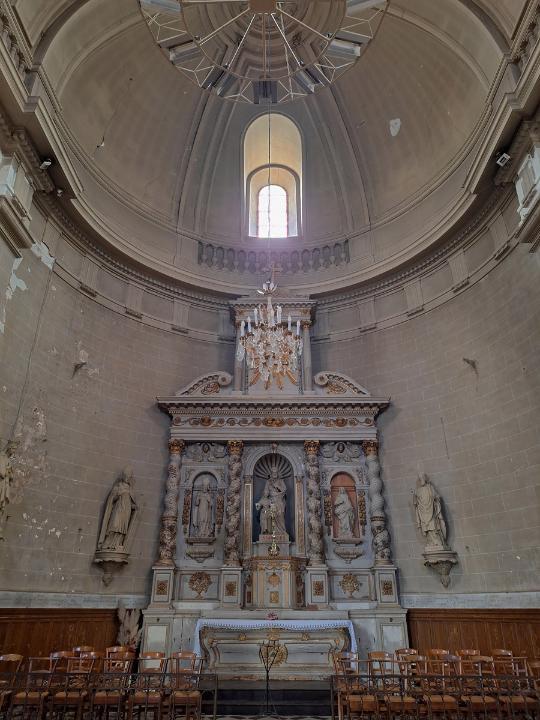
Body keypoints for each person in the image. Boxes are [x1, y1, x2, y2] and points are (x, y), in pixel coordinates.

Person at [98, 467, 137, 551]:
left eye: (129, 476)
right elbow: (111, 500)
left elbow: (131, 502)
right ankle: (107, 544)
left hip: (126, 511)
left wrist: (133, 506)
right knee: (114, 525)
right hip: (118, 509)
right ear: (124, 476)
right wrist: (118, 494)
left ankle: (117, 544)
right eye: (127, 476)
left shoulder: (130, 489)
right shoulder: (118, 486)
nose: (128, 478)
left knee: (122, 529)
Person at [413, 473, 447, 548]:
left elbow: (436, 496)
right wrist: (414, 498)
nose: (421, 480)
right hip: (423, 513)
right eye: (420, 479)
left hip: (431, 510)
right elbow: (415, 503)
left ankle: (438, 542)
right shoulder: (417, 491)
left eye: (422, 478)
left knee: (433, 527)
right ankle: (431, 542)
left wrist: (437, 498)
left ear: (425, 479)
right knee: (427, 528)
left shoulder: (430, 487)